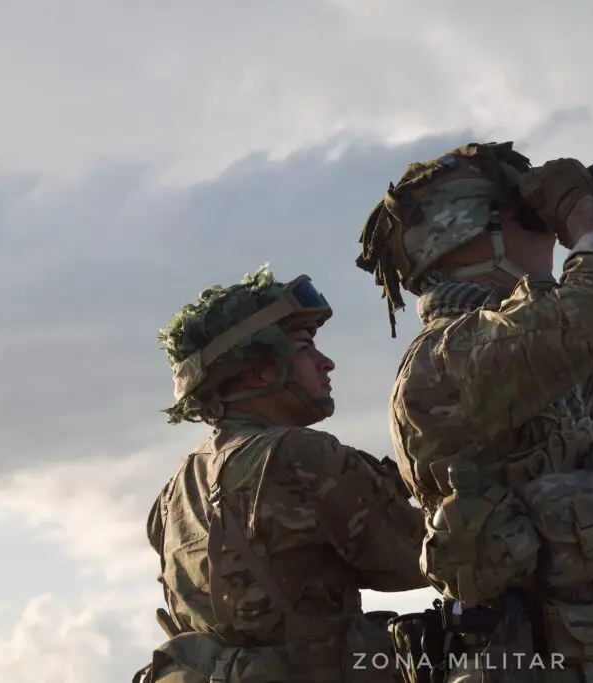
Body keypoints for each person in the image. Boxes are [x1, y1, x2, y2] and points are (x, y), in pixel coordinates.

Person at [355, 142, 593, 683]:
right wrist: (578, 209)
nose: (550, 232)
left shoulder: (531, 367)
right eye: (529, 215)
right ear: (464, 238)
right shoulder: (455, 356)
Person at [132, 266, 427, 683]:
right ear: (258, 371)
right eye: (305, 348)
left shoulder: (172, 493)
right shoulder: (299, 455)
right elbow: (427, 558)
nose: (326, 363)